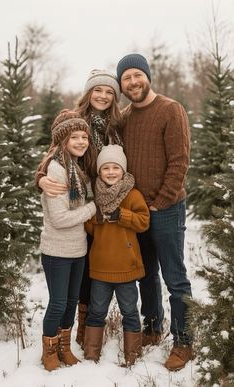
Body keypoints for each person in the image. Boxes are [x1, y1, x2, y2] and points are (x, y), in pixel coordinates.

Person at [36, 70, 123, 349]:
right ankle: (76, 335)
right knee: (78, 281)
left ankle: (86, 329)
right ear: (88, 93)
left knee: (91, 269)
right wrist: (40, 179)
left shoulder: (116, 126)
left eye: (109, 92)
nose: (103, 96)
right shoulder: (75, 123)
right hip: (82, 207)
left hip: (104, 203)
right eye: (97, 90)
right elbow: (52, 156)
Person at [116, 53, 192, 371]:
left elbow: (179, 161)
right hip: (137, 211)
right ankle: (151, 327)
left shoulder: (170, 110)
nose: (133, 82)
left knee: (174, 277)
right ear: (121, 84)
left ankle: (184, 340)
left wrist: (160, 201)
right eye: (126, 78)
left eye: (137, 75)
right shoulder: (123, 117)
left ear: (148, 76)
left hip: (166, 208)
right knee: (145, 274)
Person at [38, 109, 96, 371]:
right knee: (58, 302)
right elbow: (60, 218)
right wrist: (93, 209)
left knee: (72, 301)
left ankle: (64, 346)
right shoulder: (56, 169)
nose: (82, 141)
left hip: (78, 249)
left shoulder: (77, 167)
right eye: (75, 137)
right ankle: (49, 351)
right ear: (63, 141)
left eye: (84, 136)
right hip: (57, 250)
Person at [83, 145, 150, 366]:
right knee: (96, 311)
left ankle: (133, 355)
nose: (111, 172)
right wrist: (97, 220)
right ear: (99, 172)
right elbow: (90, 227)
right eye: (106, 168)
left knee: (129, 312)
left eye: (115, 168)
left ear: (123, 171)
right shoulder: (96, 195)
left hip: (126, 268)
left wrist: (122, 215)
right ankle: (91, 354)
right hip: (101, 267)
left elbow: (143, 222)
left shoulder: (132, 194)